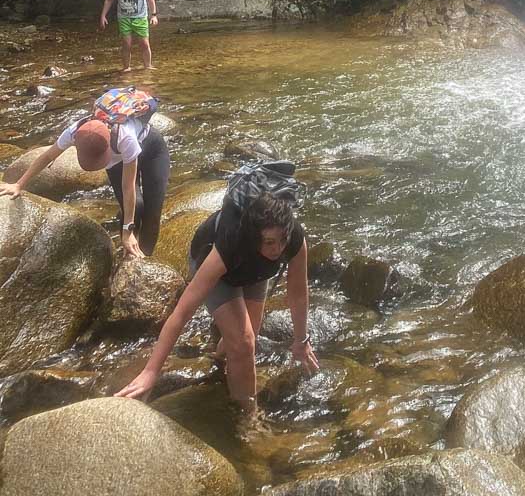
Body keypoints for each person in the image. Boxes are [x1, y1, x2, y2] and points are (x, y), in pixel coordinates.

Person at [116, 191, 320, 412]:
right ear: (254, 237)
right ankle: (248, 418)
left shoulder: (294, 238)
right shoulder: (231, 244)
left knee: (247, 337)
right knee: (244, 343)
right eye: (269, 242)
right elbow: (183, 312)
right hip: (220, 272)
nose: (278, 249)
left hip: (255, 272)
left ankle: (219, 358)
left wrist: (301, 340)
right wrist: (151, 372)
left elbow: (298, 293)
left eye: (282, 241)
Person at [0, 100, 170, 257]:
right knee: (135, 206)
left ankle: (144, 256)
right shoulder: (74, 132)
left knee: (152, 213)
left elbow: (128, 187)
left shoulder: (125, 137)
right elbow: (47, 156)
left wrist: (127, 231)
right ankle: (129, 252)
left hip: (153, 152)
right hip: (118, 162)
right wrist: (19, 184)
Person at [99, 0, 158, 71]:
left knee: (144, 44)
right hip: (124, 17)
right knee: (127, 44)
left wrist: (154, 15)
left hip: (140, 17)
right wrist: (103, 16)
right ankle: (126, 68)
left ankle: (148, 66)